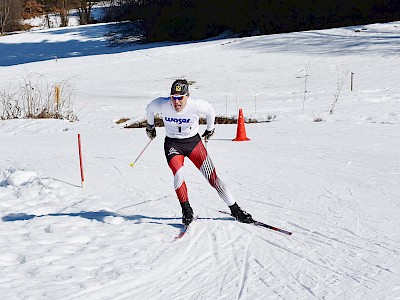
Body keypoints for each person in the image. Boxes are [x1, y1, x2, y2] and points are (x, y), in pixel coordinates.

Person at [145, 79, 253, 226]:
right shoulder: (163, 104)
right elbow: (149, 108)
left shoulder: (195, 105)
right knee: (178, 175)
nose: (176, 102)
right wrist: (150, 127)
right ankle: (186, 210)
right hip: (173, 144)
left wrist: (210, 128)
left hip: (194, 144)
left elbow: (210, 111)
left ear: (187, 96)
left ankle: (236, 210)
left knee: (213, 179)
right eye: (173, 97)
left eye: (180, 98)